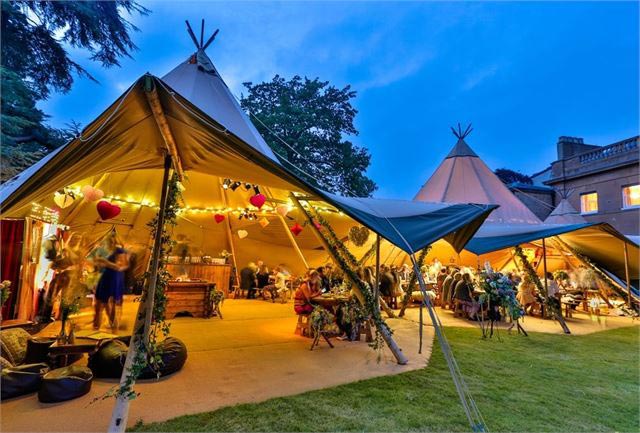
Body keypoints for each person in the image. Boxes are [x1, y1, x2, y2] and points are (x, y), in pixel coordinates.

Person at [93, 233, 129, 331]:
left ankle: (113, 324)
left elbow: (121, 266)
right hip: (105, 276)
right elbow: (98, 263)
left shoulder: (119, 251)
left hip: (115, 277)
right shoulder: (104, 250)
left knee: (112, 301)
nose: (109, 242)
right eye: (108, 240)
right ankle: (103, 324)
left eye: (111, 240)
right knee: (101, 301)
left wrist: (106, 262)